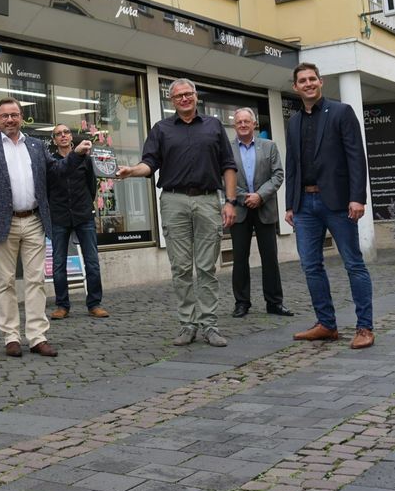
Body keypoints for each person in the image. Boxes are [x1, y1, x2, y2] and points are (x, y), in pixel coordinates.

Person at [116, 78, 236, 347]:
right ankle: (187, 324)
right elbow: (149, 163)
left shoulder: (214, 126)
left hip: (207, 201)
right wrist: (131, 171)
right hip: (174, 201)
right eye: (178, 95)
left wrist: (230, 202)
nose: (184, 99)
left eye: (188, 94)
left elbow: (228, 165)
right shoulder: (161, 129)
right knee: (181, 268)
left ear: (196, 96)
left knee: (207, 267)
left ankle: (210, 325)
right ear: (171, 100)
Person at [0, 98, 91, 358]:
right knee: (5, 281)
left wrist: (76, 154)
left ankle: (37, 337)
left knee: (36, 280)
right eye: (4, 116)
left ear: (21, 117)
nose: (10, 120)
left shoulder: (36, 146)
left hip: (35, 220)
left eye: (14, 115)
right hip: (3, 222)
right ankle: (11, 337)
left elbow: (57, 171)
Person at [285, 63, 375, 349]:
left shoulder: (341, 112)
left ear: (321, 82)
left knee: (353, 264)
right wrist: (290, 204)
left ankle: (364, 328)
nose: (308, 83)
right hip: (304, 205)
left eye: (313, 78)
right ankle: (326, 324)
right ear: (295, 87)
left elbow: (355, 157)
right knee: (311, 266)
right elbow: (292, 165)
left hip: (337, 201)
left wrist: (357, 197)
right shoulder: (293, 122)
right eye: (303, 80)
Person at [229, 108, 293, 319]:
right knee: (239, 259)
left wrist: (259, 195)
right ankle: (241, 303)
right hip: (239, 210)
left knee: (270, 258)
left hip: (265, 208)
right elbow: (223, 179)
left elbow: (278, 174)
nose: (243, 125)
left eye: (247, 121)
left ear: (255, 124)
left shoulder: (269, 146)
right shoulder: (226, 150)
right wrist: (243, 197)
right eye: (239, 122)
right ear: (234, 125)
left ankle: (274, 303)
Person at [47, 123, 108, 320]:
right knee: (58, 263)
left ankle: (94, 304)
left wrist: (85, 205)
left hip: (83, 215)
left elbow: (91, 186)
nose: (63, 136)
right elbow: (48, 187)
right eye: (58, 134)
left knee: (91, 261)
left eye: (66, 132)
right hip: (59, 216)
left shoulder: (86, 159)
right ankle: (62, 305)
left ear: (71, 137)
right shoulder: (50, 161)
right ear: (54, 140)